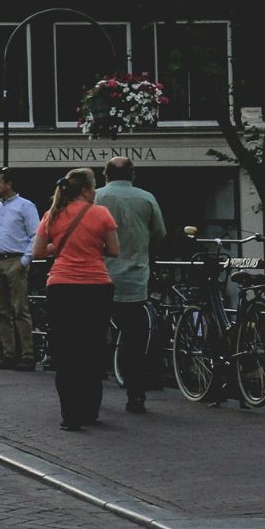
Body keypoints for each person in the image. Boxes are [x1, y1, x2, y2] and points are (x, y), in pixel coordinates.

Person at [33, 167, 121, 431]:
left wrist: (60, 246)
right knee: (92, 349)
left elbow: (38, 252)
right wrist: (93, 246)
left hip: (61, 287)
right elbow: (114, 250)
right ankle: (90, 409)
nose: (95, 193)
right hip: (95, 286)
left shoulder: (53, 214)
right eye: (93, 188)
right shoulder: (101, 214)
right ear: (85, 190)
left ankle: (69, 414)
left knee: (66, 353)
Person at [94, 156, 167, 413]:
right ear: (133, 175)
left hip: (99, 276)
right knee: (133, 340)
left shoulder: (96, 198)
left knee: (94, 335)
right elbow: (159, 234)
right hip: (135, 278)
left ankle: (93, 392)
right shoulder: (146, 198)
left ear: (105, 174)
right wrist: (145, 254)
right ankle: (136, 395)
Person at [0, 168, 42, 370]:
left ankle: (28, 356)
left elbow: (36, 234)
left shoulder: (25, 206)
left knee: (20, 309)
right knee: (1, 309)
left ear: (9, 184)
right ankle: (9, 353)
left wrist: (25, 260)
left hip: (15, 257)